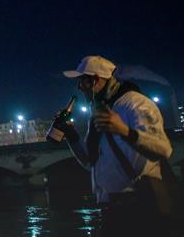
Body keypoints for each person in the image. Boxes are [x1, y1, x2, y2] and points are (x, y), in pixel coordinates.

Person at [61, 55, 174, 236]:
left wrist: (125, 131)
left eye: (81, 81)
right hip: (112, 208)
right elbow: (91, 164)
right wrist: (71, 135)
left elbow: (163, 149)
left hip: (141, 205)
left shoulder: (135, 104)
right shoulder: (100, 111)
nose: (78, 87)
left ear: (95, 80)